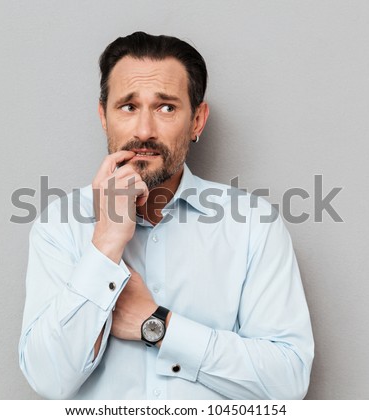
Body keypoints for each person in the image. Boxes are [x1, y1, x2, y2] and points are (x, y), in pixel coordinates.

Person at [18, 31, 314, 400]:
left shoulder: (253, 224)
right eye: (128, 107)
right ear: (103, 116)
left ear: (197, 121)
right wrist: (106, 243)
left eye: (166, 108)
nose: (144, 130)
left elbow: (286, 383)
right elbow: (49, 379)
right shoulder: (59, 226)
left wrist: (157, 325)